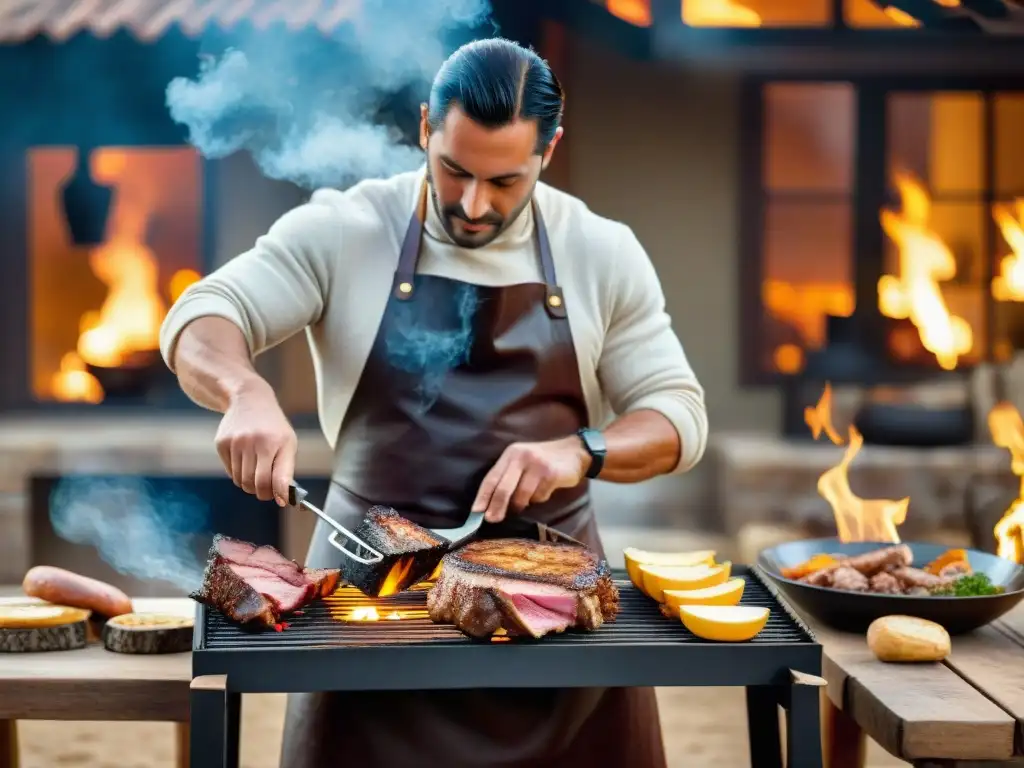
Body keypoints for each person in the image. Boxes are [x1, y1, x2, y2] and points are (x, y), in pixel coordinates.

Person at [160, 36, 707, 768]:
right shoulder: (348, 228)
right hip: (368, 612)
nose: (474, 204)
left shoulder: (600, 251)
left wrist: (581, 450)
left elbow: (678, 415)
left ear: (551, 149)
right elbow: (203, 315)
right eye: (453, 170)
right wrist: (244, 389)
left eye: (505, 182)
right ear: (425, 128)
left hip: (552, 625)